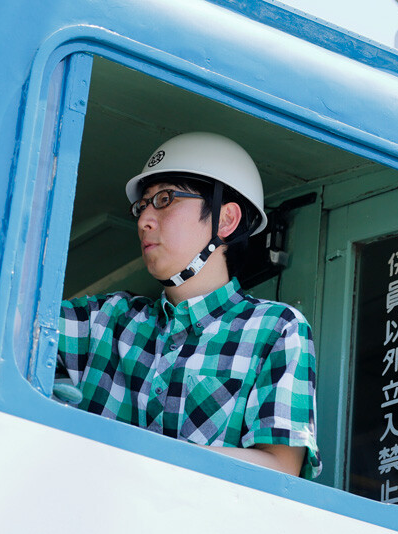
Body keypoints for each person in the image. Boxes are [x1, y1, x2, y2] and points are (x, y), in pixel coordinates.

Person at [55, 132, 320, 478]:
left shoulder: (276, 329)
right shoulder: (105, 319)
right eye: (142, 205)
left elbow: (280, 469)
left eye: (164, 199)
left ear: (226, 220)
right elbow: (8, 321)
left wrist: (142, 461)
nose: (143, 220)